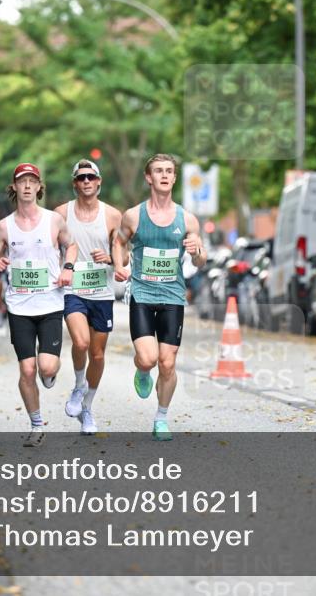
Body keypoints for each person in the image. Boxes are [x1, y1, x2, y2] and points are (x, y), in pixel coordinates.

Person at [0, 162, 77, 447]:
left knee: (46, 368)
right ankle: (37, 425)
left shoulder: (54, 221)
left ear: (38, 187)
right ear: (14, 187)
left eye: (31, 181)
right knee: (26, 370)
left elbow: (71, 245)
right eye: (21, 181)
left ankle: (50, 372)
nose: (26, 186)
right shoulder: (4, 226)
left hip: (50, 303)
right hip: (19, 307)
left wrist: (68, 268)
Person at [118, 154, 207, 441]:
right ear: (149, 177)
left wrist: (197, 252)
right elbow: (119, 242)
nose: (165, 175)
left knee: (167, 363)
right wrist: (119, 265)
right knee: (148, 359)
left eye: (169, 171)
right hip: (142, 293)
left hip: (173, 296)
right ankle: (143, 372)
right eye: (159, 171)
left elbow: (201, 261)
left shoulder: (187, 219)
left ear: (174, 178)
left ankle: (161, 419)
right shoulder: (134, 216)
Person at [55, 159, 129, 435]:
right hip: (73, 290)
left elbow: (124, 255)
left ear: (99, 182)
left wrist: (111, 259)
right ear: (74, 184)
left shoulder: (113, 215)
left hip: (102, 292)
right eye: (81, 177)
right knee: (81, 341)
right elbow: (51, 247)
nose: (86, 181)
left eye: (90, 177)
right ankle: (78, 386)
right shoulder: (61, 214)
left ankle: (87, 407)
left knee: (97, 355)